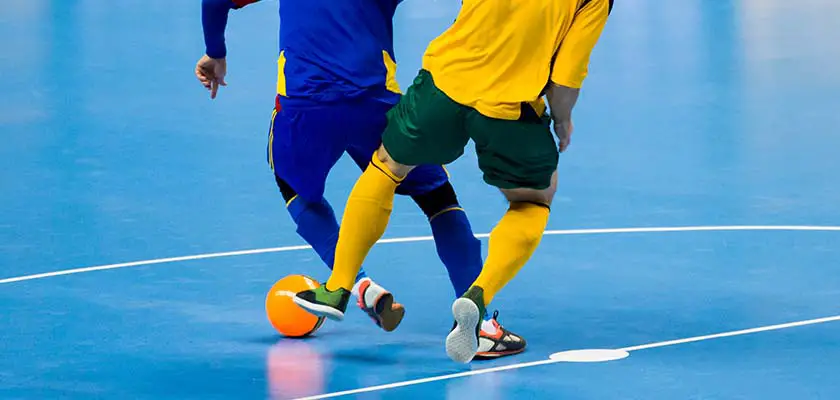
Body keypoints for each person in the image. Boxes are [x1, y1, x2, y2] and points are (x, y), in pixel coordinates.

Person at [195, 0, 527, 359]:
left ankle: (355, 283)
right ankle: (478, 327)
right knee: (438, 198)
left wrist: (216, 52)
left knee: (295, 190)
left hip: (307, 106)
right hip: (375, 103)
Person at [294, 0, 613, 363]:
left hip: (443, 88)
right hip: (509, 109)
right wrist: (561, 120)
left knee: (385, 167)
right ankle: (477, 300)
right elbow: (565, 79)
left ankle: (337, 287)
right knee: (532, 202)